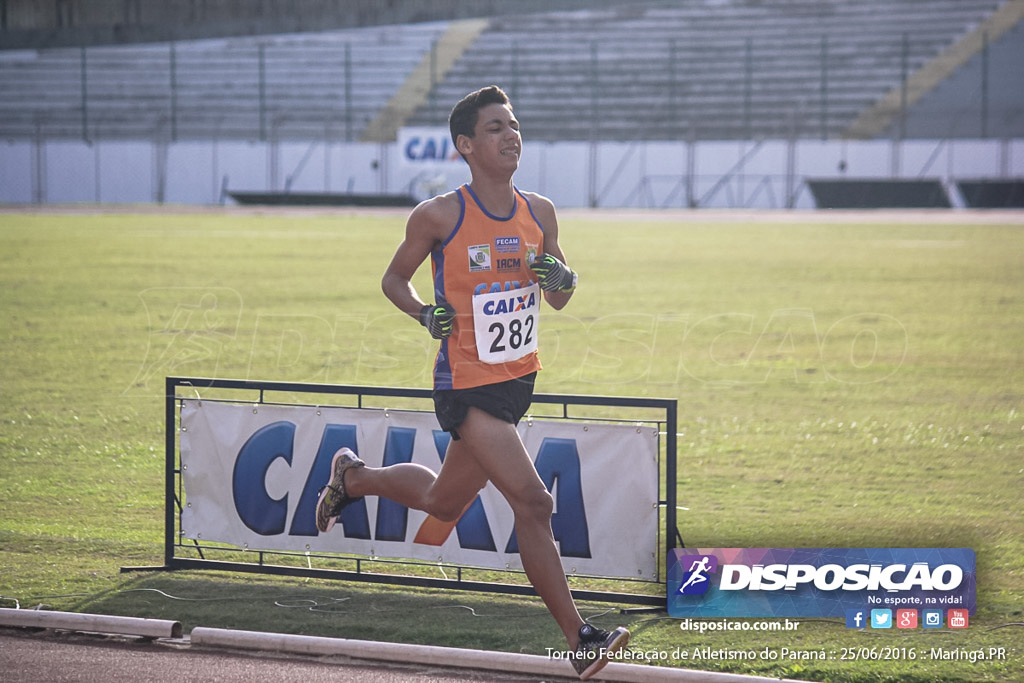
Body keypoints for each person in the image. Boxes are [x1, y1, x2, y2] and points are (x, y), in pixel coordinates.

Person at [316, 85, 629, 680]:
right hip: (465, 384)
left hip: (518, 380)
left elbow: (559, 297)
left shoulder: (540, 211)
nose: (511, 135)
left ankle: (352, 477)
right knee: (534, 504)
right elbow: (394, 279)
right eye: (494, 128)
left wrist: (562, 275)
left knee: (443, 500)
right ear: (465, 145)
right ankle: (580, 637)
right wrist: (421, 313)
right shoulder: (439, 215)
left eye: (513, 124)